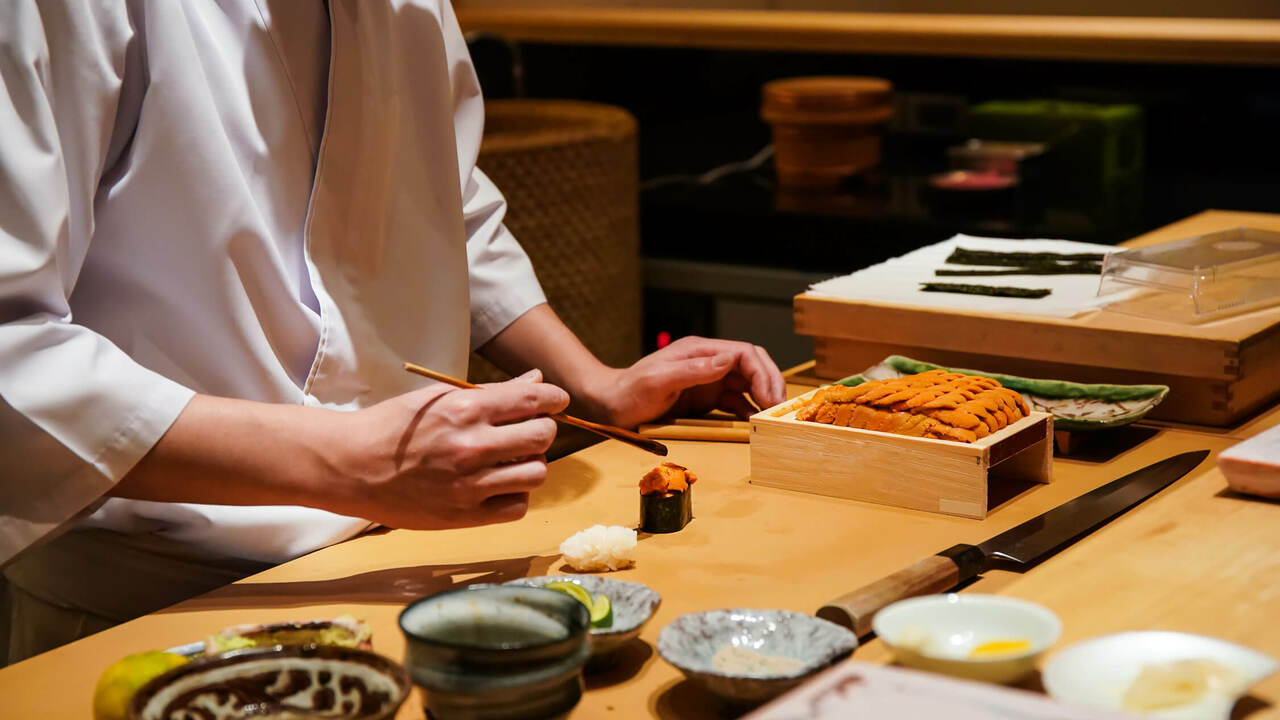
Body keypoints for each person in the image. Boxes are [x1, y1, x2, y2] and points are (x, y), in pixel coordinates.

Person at [0, 1, 785, 662]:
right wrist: (353, 459)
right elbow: (12, 351)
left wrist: (598, 386)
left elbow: (447, 203)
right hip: (142, 607)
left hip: (398, 564)